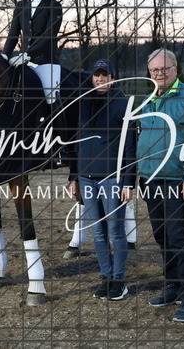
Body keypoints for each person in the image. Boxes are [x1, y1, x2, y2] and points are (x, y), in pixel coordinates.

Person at [136, 48, 184, 322]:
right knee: (161, 235)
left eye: (164, 69)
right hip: (150, 179)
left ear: (175, 69)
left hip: (177, 180)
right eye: (154, 70)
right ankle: (173, 286)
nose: (159, 74)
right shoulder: (147, 100)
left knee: (178, 236)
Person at [67, 59, 136, 301]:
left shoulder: (123, 104)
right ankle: (106, 277)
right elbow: (75, 142)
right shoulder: (83, 103)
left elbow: (130, 146)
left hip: (111, 179)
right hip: (86, 178)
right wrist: (74, 176)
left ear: (112, 78)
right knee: (97, 232)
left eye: (104, 75)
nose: (100, 79)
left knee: (115, 232)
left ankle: (119, 280)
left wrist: (128, 182)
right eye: (96, 75)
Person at [2, 0, 63, 104]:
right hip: (22, 62)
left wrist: (27, 55)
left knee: (51, 99)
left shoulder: (54, 6)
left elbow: (49, 36)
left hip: (46, 62)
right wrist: (5, 55)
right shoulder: (20, 6)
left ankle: (59, 119)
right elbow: (13, 34)